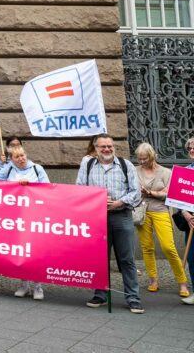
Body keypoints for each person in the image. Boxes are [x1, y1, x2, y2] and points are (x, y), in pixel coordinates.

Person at [76, 133, 144, 313]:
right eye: (102, 146)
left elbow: (136, 192)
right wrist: (96, 201)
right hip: (97, 218)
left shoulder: (125, 165)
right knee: (99, 259)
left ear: (114, 147)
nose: (107, 149)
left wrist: (119, 202)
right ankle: (100, 294)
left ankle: (133, 298)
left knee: (127, 259)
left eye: (109, 146)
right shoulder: (88, 165)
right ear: (95, 148)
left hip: (122, 216)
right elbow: (80, 189)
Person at [0, 144, 50, 300]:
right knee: (20, 251)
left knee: (35, 252)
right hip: (16, 218)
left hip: (35, 217)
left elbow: (48, 188)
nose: (21, 159)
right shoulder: (9, 170)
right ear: (11, 159)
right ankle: (24, 284)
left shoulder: (36, 169)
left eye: (23, 155)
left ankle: (38, 286)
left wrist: (31, 186)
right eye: (17, 157)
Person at [132, 143, 189, 298]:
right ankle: (153, 280)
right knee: (147, 247)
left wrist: (150, 192)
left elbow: (169, 193)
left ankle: (182, 282)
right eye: (139, 159)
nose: (141, 161)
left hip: (161, 211)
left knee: (168, 247)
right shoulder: (134, 171)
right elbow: (133, 190)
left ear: (152, 156)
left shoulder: (165, 172)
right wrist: (156, 192)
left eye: (144, 158)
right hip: (141, 212)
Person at [178, 137, 194, 305]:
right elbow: (178, 199)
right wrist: (186, 214)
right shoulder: (185, 172)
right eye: (189, 148)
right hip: (191, 223)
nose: (191, 150)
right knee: (193, 258)